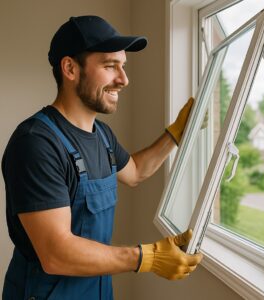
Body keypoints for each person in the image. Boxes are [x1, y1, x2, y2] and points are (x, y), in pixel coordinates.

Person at [2, 15, 203, 300]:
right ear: (70, 68)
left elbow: (134, 172)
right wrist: (148, 257)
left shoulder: (102, 135)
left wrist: (174, 134)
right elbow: (55, 254)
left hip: (95, 291)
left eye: (123, 66)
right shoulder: (36, 143)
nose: (123, 79)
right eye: (110, 66)